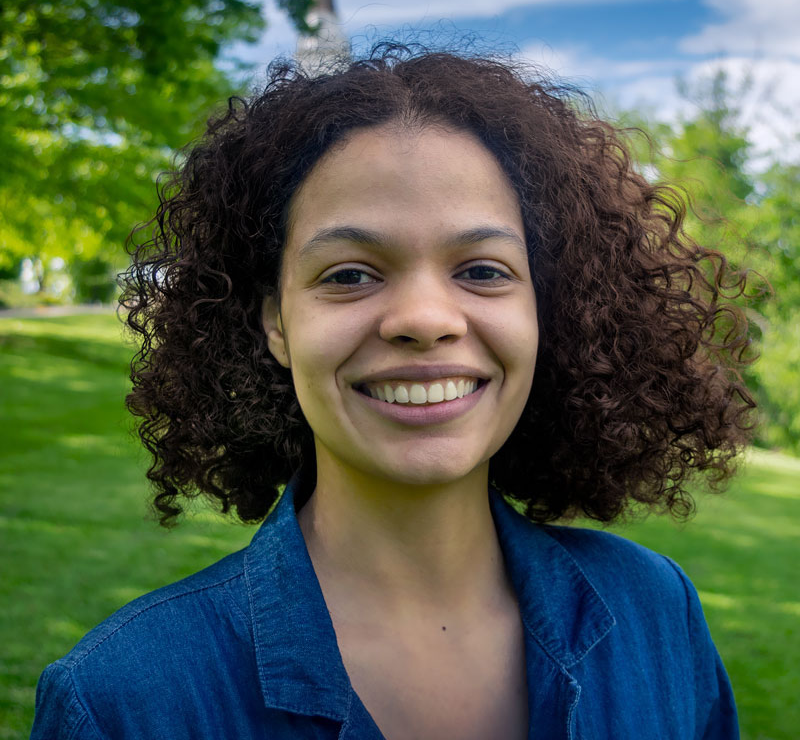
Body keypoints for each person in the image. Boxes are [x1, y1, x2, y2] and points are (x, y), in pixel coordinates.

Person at [31, 44, 755, 739]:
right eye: (349, 274)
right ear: (275, 322)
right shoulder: (123, 701)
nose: (424, 320)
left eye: (482, 270)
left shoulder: (656, 612)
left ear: (547, 310)